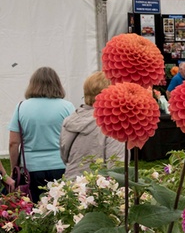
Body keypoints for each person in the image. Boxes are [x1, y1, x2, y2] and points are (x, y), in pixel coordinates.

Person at [7, 67, 74, 203]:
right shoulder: (68, 107)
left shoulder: (21, 107)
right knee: (61, 209)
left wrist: (14, 169)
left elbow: (13, 143)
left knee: (33, 208)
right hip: (61, 166)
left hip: (30, 169)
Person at [60, 71, 125, 178]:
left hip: (71, 185)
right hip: (100, 188)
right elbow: (117, 167)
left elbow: (64, 156)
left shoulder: (70, 120)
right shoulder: (113, 124)